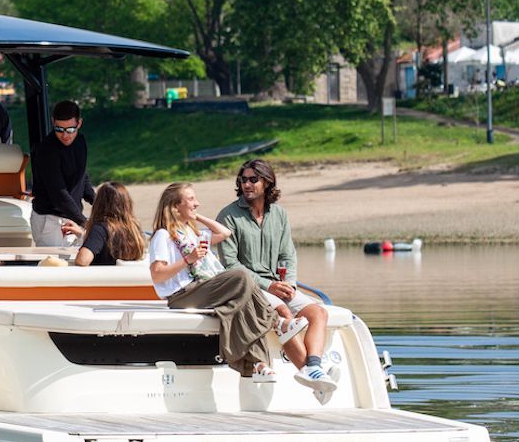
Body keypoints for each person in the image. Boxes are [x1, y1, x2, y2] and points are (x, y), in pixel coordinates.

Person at [149, 182, 303, 382]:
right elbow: (157, 274)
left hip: (202, 287)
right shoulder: (163, 235)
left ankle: (259, 366)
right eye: (191, 199)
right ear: (175, 206)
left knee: (242, 302)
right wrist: (189, 259)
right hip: (182, 295)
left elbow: (224, 233)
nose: (197, 203)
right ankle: (276, 322)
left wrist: (197, 217)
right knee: (241, 276)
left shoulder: (191, 233)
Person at [215, 159, 338, 393]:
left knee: (319, 312)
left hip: (279, 285)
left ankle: (313, 366)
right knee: (281, 311)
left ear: (267, 182)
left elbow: (288, 254)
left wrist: (289, 283)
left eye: (253, 179)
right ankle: (315, 376)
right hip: (250, 288)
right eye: (243, 180)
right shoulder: (228, 216)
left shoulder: (279, 215)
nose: (247, 185)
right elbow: (231, 265)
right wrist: (269, 285)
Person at [29, 100, 95, 246]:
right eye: (59, 129)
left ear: (79, 123)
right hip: (49, 219)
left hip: (73, 217)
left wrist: (98, 202)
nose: (65, 135)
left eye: (70, 129)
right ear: (53, 122)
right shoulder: (47, 150)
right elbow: (58, 195)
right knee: (55, 267)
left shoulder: (80, 142)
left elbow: (81, 177)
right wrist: (85, 222)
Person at [62, 181, 146, 266]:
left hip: (103, 278)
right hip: (128, 277)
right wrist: (82, 234)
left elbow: (82, 260)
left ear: (99, 203)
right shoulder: (134, 228)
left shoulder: (101, 228)